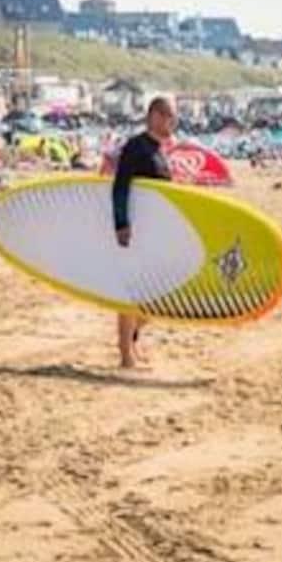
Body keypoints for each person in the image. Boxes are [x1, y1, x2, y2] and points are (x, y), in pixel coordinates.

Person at [112, 96, 177, 369]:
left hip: (155, 234)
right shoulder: (136, 147)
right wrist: (121, 223)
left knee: (159, 294)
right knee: (131, 291)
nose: (173, 122)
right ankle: (126, 354)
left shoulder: (159, 151)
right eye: (169, 116)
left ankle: (131, 340)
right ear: (154, 116)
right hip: (135, 232)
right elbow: (120, 186)